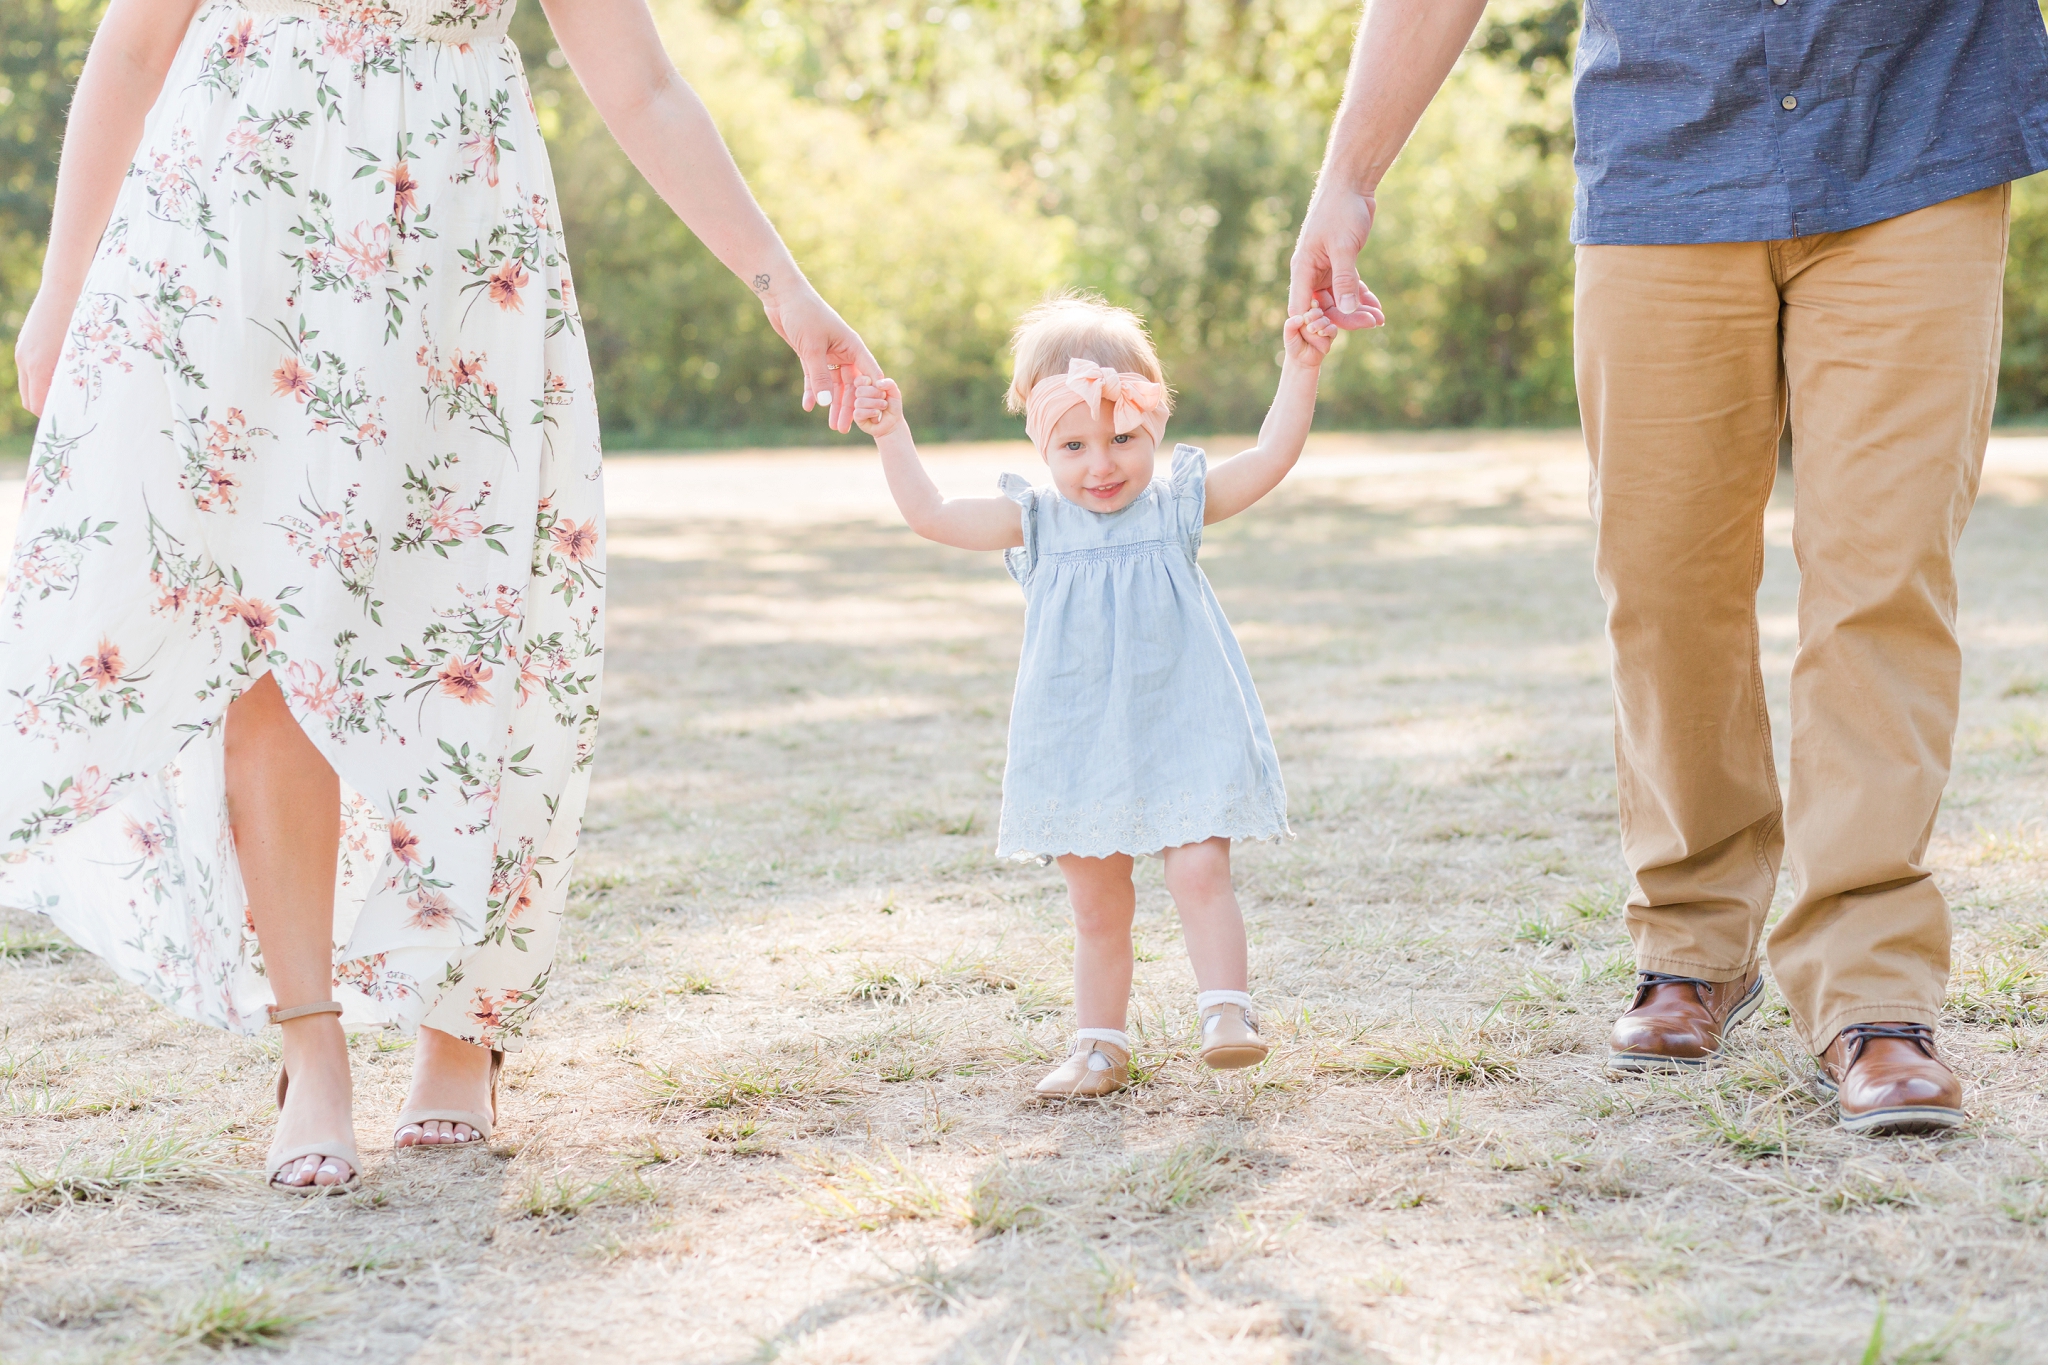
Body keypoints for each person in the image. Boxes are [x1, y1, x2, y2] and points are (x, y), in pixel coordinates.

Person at [5, 0, 878, 1191]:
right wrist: (63, 290)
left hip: (456, 237)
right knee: (266, 626)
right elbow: (134, 43)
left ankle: (460, 1023)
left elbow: (641, 84)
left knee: (468, 620)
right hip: (236, 228)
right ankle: (309, 1049)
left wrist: (783, 286)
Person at [1291, 0, 2048, 1134]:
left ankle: (1873, 994)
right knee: (1661, 579)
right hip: (1662, 154)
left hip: (1920, 129)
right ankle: (1693, 943)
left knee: (1880, 577)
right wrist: (1349, 171)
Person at [846, 294, 1338, 1097]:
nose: (1101, 465)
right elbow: (930, 514)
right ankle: (1101, 1047)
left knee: (1200, 870)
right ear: (1041, 443)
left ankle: (1227, 1011)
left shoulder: (1177, 506)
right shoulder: (1035, 521)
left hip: (1181, 720)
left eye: (1123, 439)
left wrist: (1302, 365)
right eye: (1073, 444)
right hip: (1078, 737)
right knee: (1097, 905)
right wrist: (890, 431)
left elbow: (1273, 454)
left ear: (1156, 425)